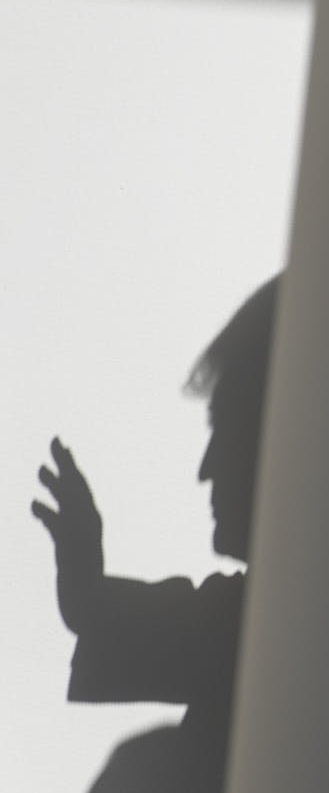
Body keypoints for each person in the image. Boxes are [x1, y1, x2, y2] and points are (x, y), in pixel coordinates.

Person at [31, 277, 278, 793]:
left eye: (225, 429)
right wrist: (84, 576)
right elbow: (123, 618)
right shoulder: (258, 612)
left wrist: (85, 580)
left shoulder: (282, 617)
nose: (205, 470)